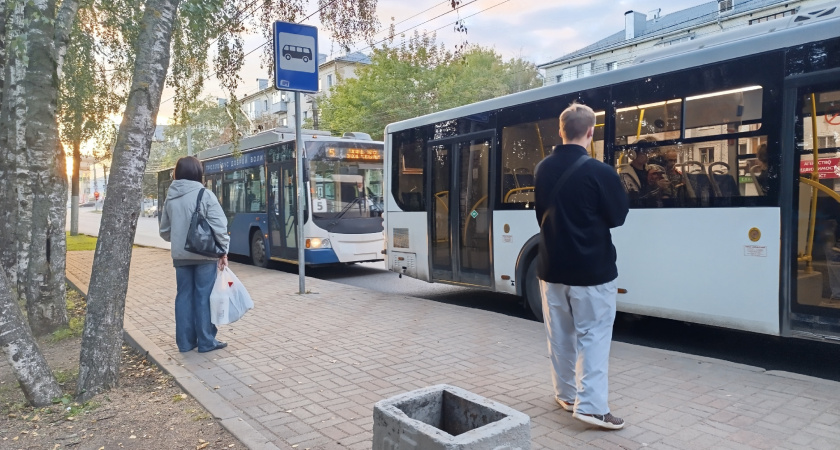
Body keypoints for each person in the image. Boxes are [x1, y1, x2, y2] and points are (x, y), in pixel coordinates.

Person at [534, 102, 630, 430]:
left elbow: (541, 214)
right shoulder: (601, 172)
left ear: (561, 131)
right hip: (591, 269)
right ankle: (591, 406)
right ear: (591, 132)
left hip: (551, 266)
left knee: (559, 333)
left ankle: (566, 394)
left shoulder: (542, 169)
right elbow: (618, 217)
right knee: (594, 335)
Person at [159, 156, 230, 353]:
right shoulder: (205, 195)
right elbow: (220, 227)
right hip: (204, 255)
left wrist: (180, 240)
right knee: (203, 296)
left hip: (180, 257)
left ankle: (185, 343)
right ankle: (206, 341)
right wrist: (223, 251)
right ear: (197, 172)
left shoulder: (170, 198)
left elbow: (164, 231)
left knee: (183, 297)